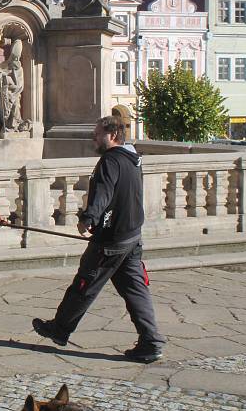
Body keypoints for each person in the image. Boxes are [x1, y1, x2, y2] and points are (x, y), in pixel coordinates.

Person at [32, 116, 166, 363]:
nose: (93, 138)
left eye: (97, 134)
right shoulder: (132, 159)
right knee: (136, 290)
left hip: (112, 240)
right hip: (132, 236)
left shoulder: (110, 161)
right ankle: (152, 341)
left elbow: (104, 192)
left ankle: (60, 329)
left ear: (113, 134)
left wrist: (89, 218)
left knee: (84, 285)